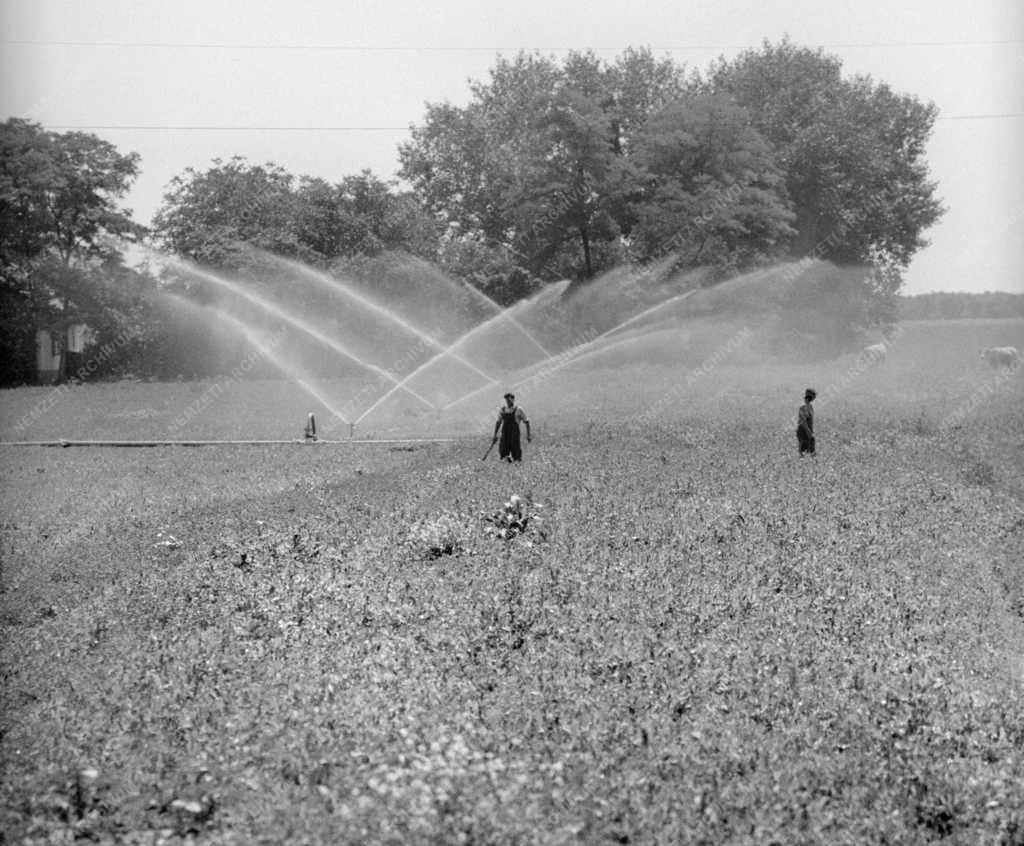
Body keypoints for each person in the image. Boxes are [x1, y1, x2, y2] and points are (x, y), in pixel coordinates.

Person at [493, 392, 531, 463]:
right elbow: (498, 422)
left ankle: (517, 465)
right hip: (505, 435)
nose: (508, 402)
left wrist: (528, 435)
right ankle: (508, 464)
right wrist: (495, 435)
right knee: (503, 452)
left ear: (513, 400)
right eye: (506, 400)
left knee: (516, 452)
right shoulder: (503, 410)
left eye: (509, 400)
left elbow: (527, 422)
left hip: (514, 435)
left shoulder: (518, 409)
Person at [797, 387, 817, 456]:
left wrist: (811, 430)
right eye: (814, 395)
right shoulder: (803, 406)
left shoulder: (810, 406)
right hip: (803, 431)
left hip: (808, 430)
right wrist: (808, 431)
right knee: (804, 451)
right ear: (810, 396)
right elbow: (803, 421)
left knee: (811, 449)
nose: (815, 397)